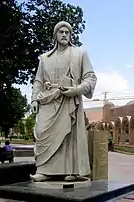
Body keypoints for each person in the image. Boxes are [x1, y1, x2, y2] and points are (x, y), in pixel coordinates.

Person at [30, 21, 97, 182]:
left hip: (69, 99)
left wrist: (77, 90)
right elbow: (38, 81)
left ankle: (71, 171)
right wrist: (34, 99)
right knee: (42, 132)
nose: (65, 35)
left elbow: (91, 77)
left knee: (68, 135)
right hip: (47, 100)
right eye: (61, 32)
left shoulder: (79, 54)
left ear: (71, 35)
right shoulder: (45, 58)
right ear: (55, 35)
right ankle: (44, 170)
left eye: (67, 32)